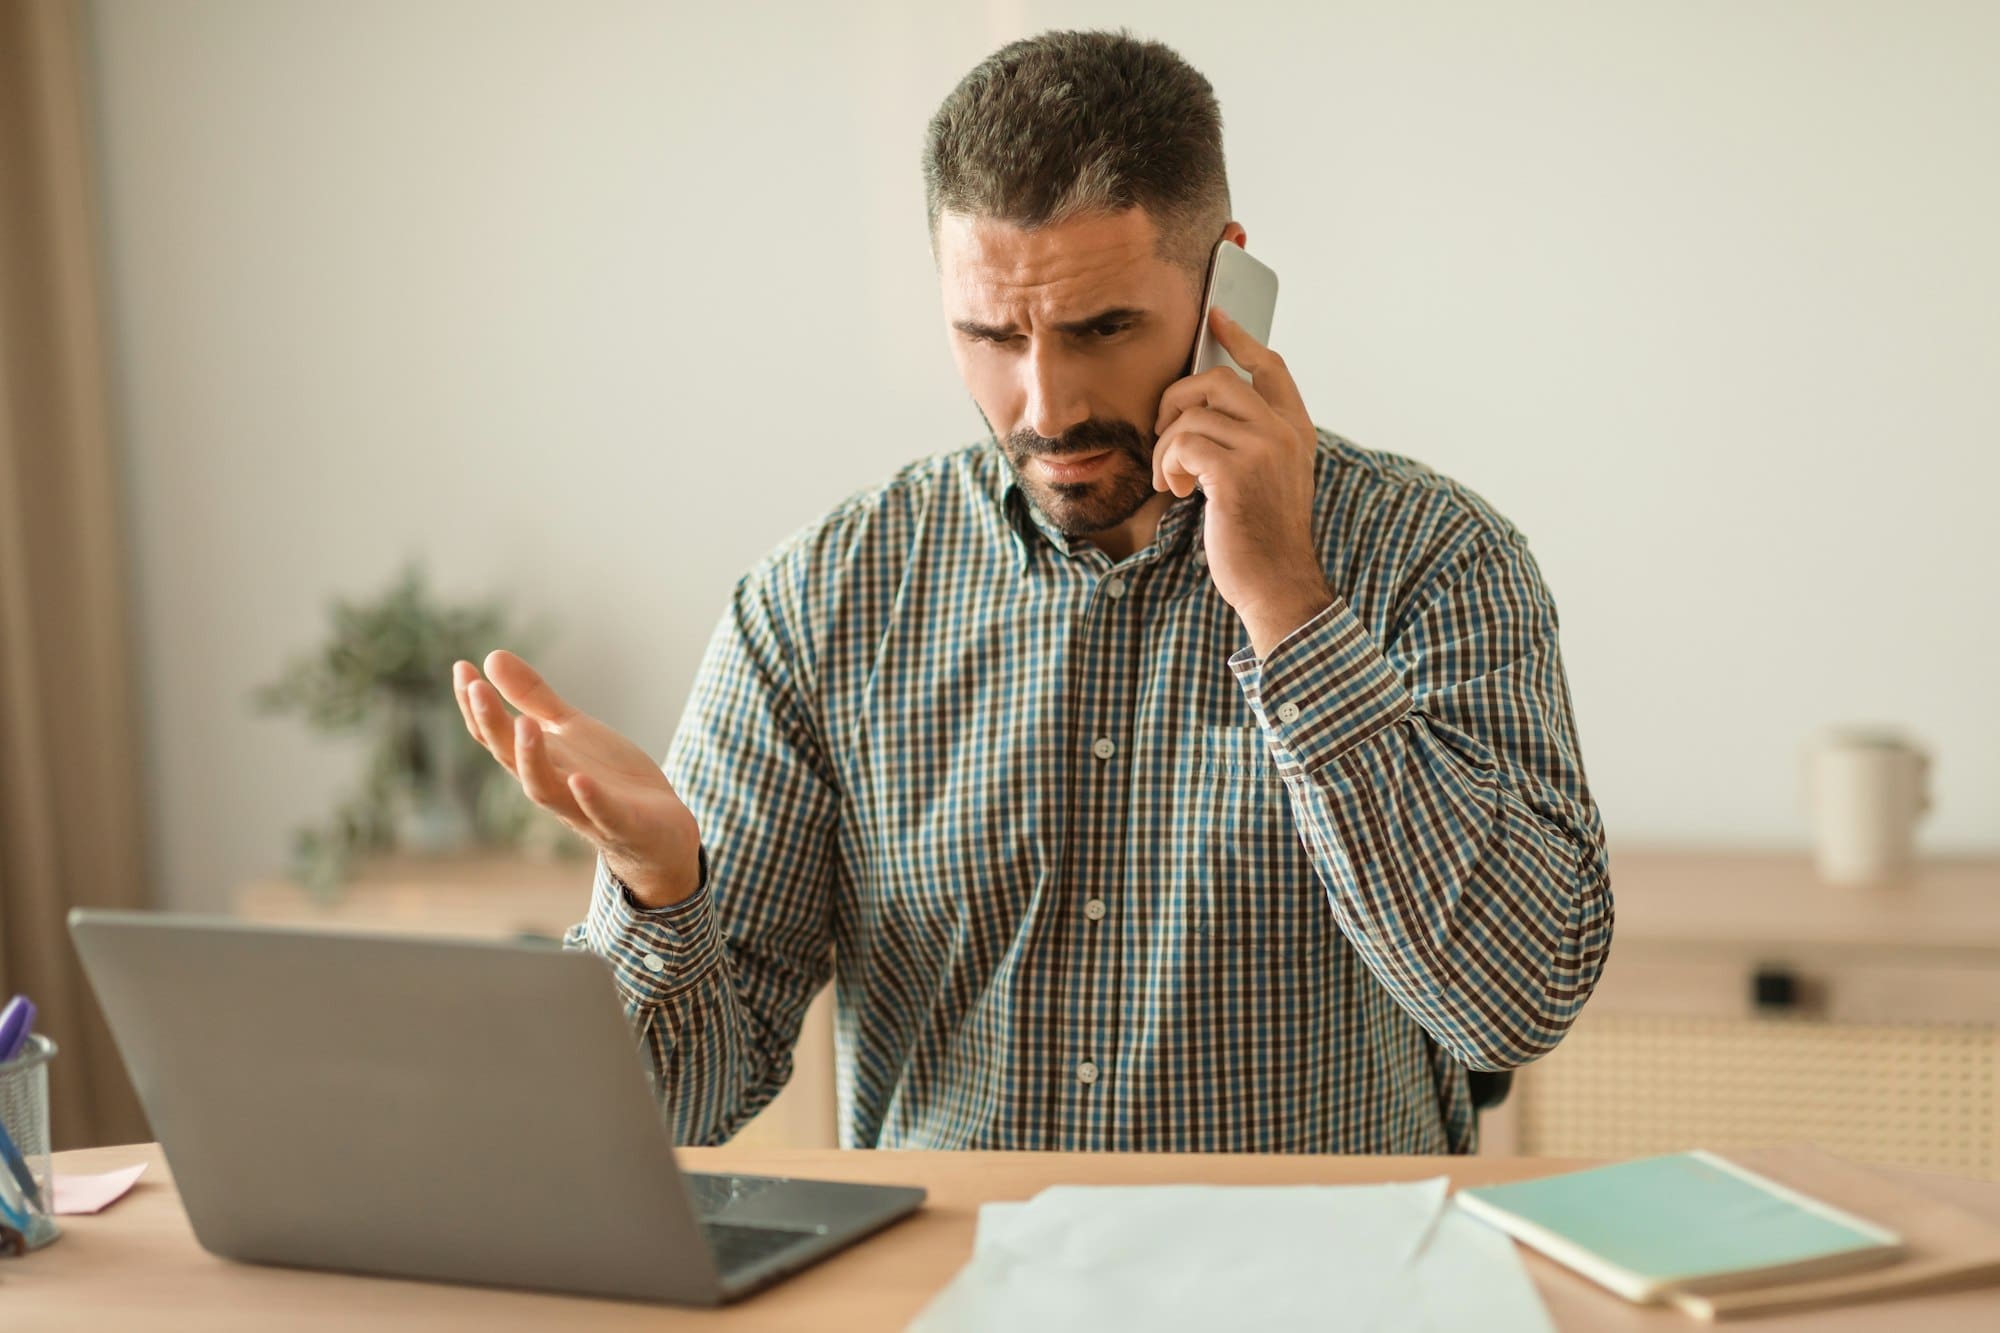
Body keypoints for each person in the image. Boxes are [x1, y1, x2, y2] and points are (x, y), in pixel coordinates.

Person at [452, 29, 1612, 1154]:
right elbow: (677, 1111)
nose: (1044, 405)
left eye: (1101, 327)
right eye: (989, 333)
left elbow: (1513, 1008)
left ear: (1229, 281)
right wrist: (659, 890)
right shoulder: (818, 605)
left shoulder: (1434, 557)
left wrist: (1290, 608)